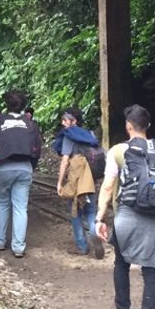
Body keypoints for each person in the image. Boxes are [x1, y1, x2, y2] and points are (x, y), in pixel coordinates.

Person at [96, 104, 155, 309]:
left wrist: (100, 216)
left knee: (121, 263)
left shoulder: (118, 151)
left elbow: (108, 187)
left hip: (126, 218)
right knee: (151, 271)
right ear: (148, 126)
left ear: (128, 126)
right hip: (154, 217)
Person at [0, 90, 42, 258]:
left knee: (2, 203)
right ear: (23, 106)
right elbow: (36, 148)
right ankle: (18, 247)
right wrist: (31, 167)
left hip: (3, 168)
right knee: (21, 207)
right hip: (24, 168)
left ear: (6, 105)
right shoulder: (29, 124)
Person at [53, 107, 105, 258]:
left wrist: (60, 182)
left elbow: (64, 161)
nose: (63, 123)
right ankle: (95, 232)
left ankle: (82, 246)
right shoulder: (90, 134)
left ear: (73, 121)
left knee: (75, 212)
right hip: (91, 179)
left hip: (76, 179)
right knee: (90, 210)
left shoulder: (69, 136)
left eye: (65, 120)